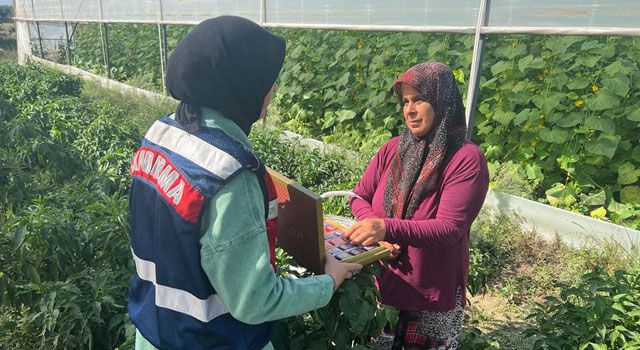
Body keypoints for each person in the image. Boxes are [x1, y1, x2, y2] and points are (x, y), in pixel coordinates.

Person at [127, 16, 361, 350]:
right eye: (268, 78)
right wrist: (329, 282)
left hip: (154, 332)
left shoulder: (161, 135)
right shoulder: (229, 175)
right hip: (212, 340)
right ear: (239, 82)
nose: (274, 88)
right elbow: (255, 300)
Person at [344, 62, 489, 349]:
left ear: (441, 101)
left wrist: (386, 228)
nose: (409, 110)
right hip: (380, 284)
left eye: (419, 100)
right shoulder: (393, 149)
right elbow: (359, 196)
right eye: (405, 101)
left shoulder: (465, 159)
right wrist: (375, 230)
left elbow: (449, 228)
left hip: (429, 293)